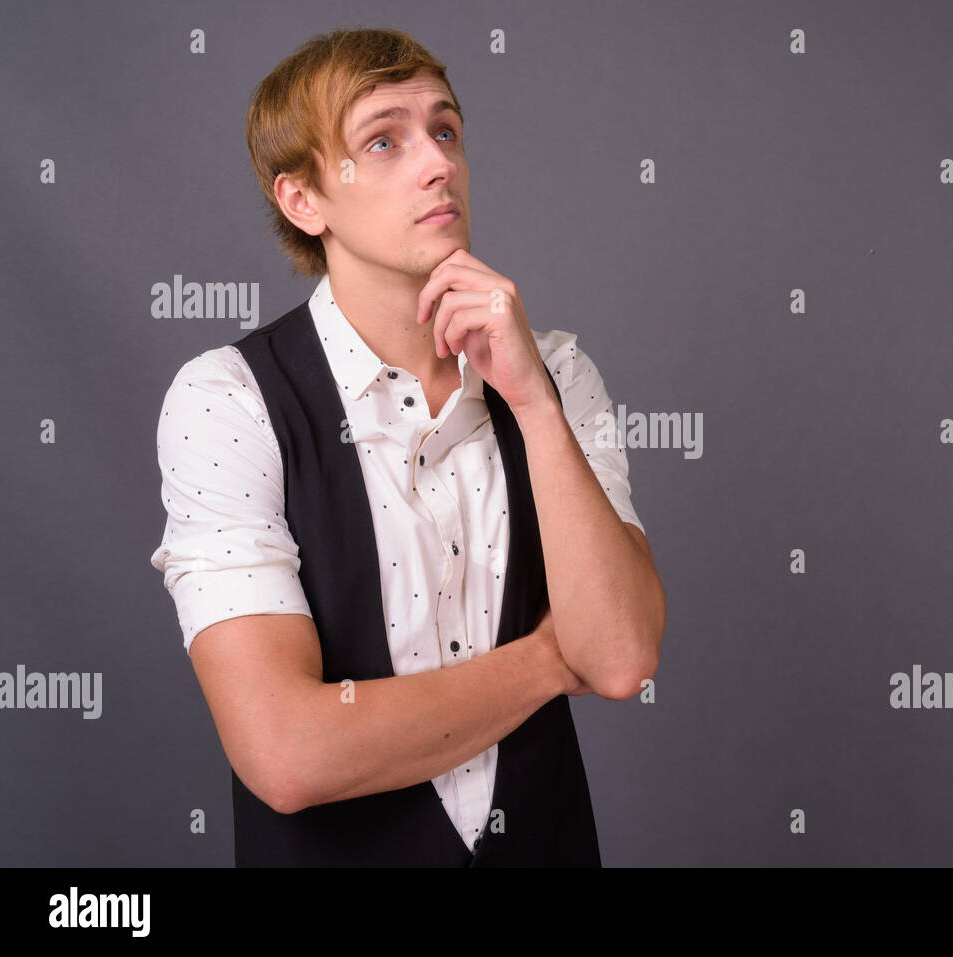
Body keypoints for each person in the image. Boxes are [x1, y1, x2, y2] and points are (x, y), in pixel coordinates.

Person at [148, 26, 666, 867]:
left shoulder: (558, 370)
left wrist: (532, 402)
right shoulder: (227, 400)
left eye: (446, 130)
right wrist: (544, 660)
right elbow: (285, 752)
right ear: (303, 200)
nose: (438, 163)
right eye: (383, 140)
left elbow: (618, 656)